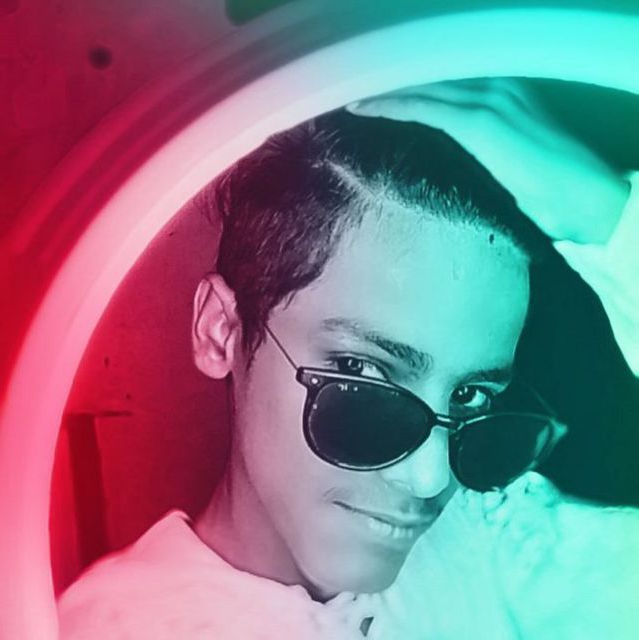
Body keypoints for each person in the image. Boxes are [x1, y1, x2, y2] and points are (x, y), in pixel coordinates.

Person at [57, 79, 639, 639]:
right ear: (221, 331)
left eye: (470, 397)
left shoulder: (499, 546)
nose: (431, 478)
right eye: (363, 375)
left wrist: (611, 218)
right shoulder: (93, 629)